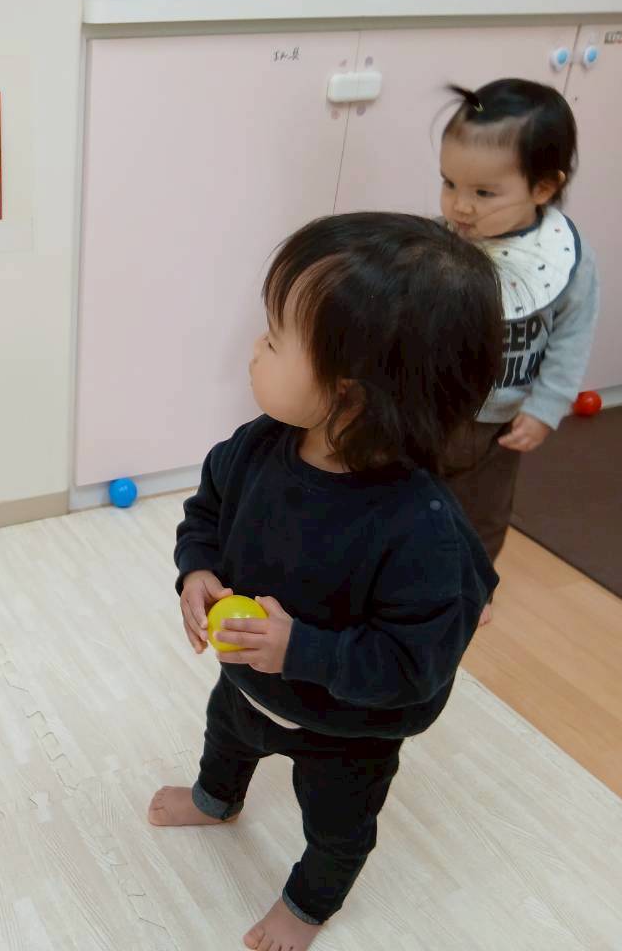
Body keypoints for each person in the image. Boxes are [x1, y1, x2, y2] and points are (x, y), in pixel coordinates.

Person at [148, 213, 502, 950]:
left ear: (350, 393)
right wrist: (198, 569)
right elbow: (207, 509)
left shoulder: (420, 531)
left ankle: (308, 905)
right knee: (225, 737)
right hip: (249, 683)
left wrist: (299, 650)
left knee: (338, 825)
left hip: (347, 729)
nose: (255, 348)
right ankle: (217, 800)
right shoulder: (258, 447)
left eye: (276, 339)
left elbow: (412, 667)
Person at [437, 79, 599, 587]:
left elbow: (572, 337)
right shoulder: (442, 241)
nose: (460, 206)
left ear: (543, 188)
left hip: (501, 421)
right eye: (449, 183)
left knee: (482, 513)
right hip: (432, 408)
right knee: (405, 495)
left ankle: (471, 587)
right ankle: (402, 580)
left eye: (484, 193)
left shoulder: (564, 257)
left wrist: (546, 407)